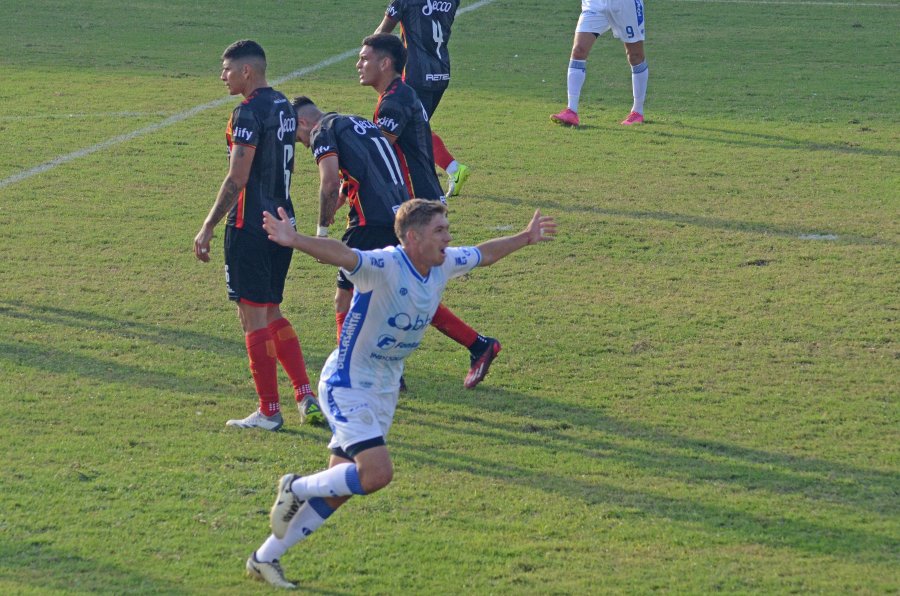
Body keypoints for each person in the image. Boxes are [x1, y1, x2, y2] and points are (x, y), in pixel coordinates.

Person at [243, 199, 557, 589]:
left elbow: (484, 254)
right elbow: (342, 254)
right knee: (375, 474)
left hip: (384, 389)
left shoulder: (442, 263)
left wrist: (526, 238)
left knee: (339, 486)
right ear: (412, 238)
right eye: (440, 231)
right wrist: (294, 240)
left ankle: (264, 558)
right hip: (348, 383)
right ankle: (296, 486)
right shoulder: (386, 265)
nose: (449, 237)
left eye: (447, 228)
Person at [357, 33, 502, 390]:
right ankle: (473, 346)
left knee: (396, 286)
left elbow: (378, 155)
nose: (359, 64)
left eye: (364, 59)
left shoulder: (393, 102)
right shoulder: (401, 95)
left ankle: (471, 346)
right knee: (400, 286)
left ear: (385, 63)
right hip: (420, 200)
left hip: (415, 206)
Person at [193, 40, 321, 431]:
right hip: (284, 223)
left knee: (252, 317)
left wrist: (210, 225)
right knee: (272, 310)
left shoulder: (246, 112)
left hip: (250, 224)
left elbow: (238, 177)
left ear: (247, 71)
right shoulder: (285, 106)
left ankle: (269, 410)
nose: (222, 76)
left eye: (227, 69)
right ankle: (304, 394)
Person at [374, 0, 470, 197]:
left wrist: (368, 55)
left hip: (415, 75)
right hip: (441, 73)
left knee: (408, 132)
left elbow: (381, 35)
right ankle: (451, 169)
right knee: (415, 128)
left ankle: (429, 186)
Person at [550, 0, 648, 127]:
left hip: (625, 5)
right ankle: (571, 111)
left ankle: (637, 111)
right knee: (578, 50)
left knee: (635, 56)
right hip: (595, 4)